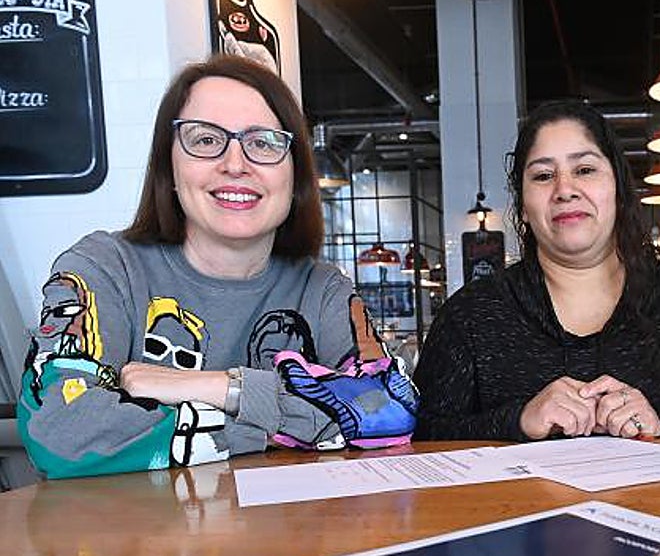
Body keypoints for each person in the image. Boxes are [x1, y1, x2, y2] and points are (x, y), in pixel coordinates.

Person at [18, 55, 417, 479]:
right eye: (205, 140)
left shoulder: (322, 287)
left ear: (295, 176)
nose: (235, 163)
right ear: (168, 168)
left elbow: (390, 410)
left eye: (263, 142)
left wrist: (215, 386)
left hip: (294, 538)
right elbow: (59, 432)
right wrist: (280, 425)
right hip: (136, 540)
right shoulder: (104, 268)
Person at [412, 100, 660, 441]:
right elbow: (418, 438)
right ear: (523, 206)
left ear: (617, 188)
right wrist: (517, 419)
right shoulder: (471, 315)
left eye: (584, 170)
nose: (564, 189)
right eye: (542, 176)